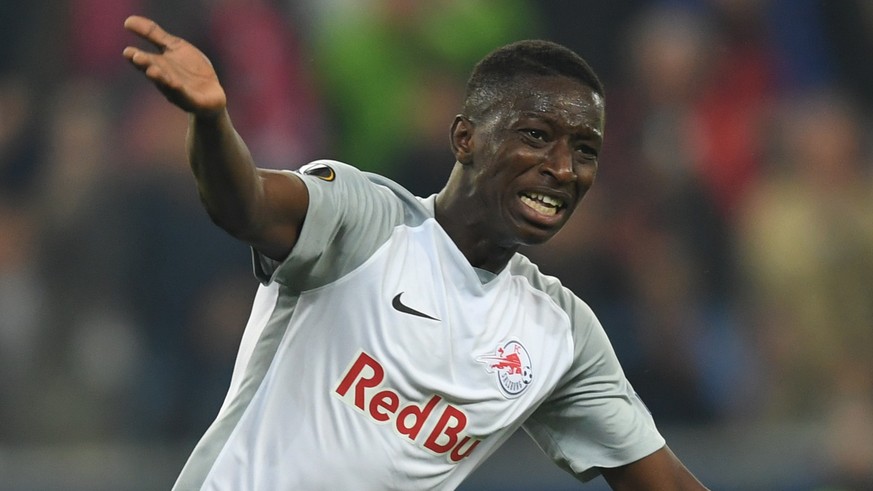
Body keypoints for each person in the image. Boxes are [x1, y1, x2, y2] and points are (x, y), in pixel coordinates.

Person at [123, 14, 708, 490]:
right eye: (536, 136)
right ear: (465, 138)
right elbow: (244, 203)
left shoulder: (560, 334)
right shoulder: (363, 220)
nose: (562, 169)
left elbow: (664, 485)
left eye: (585, 150)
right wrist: (211, 121)